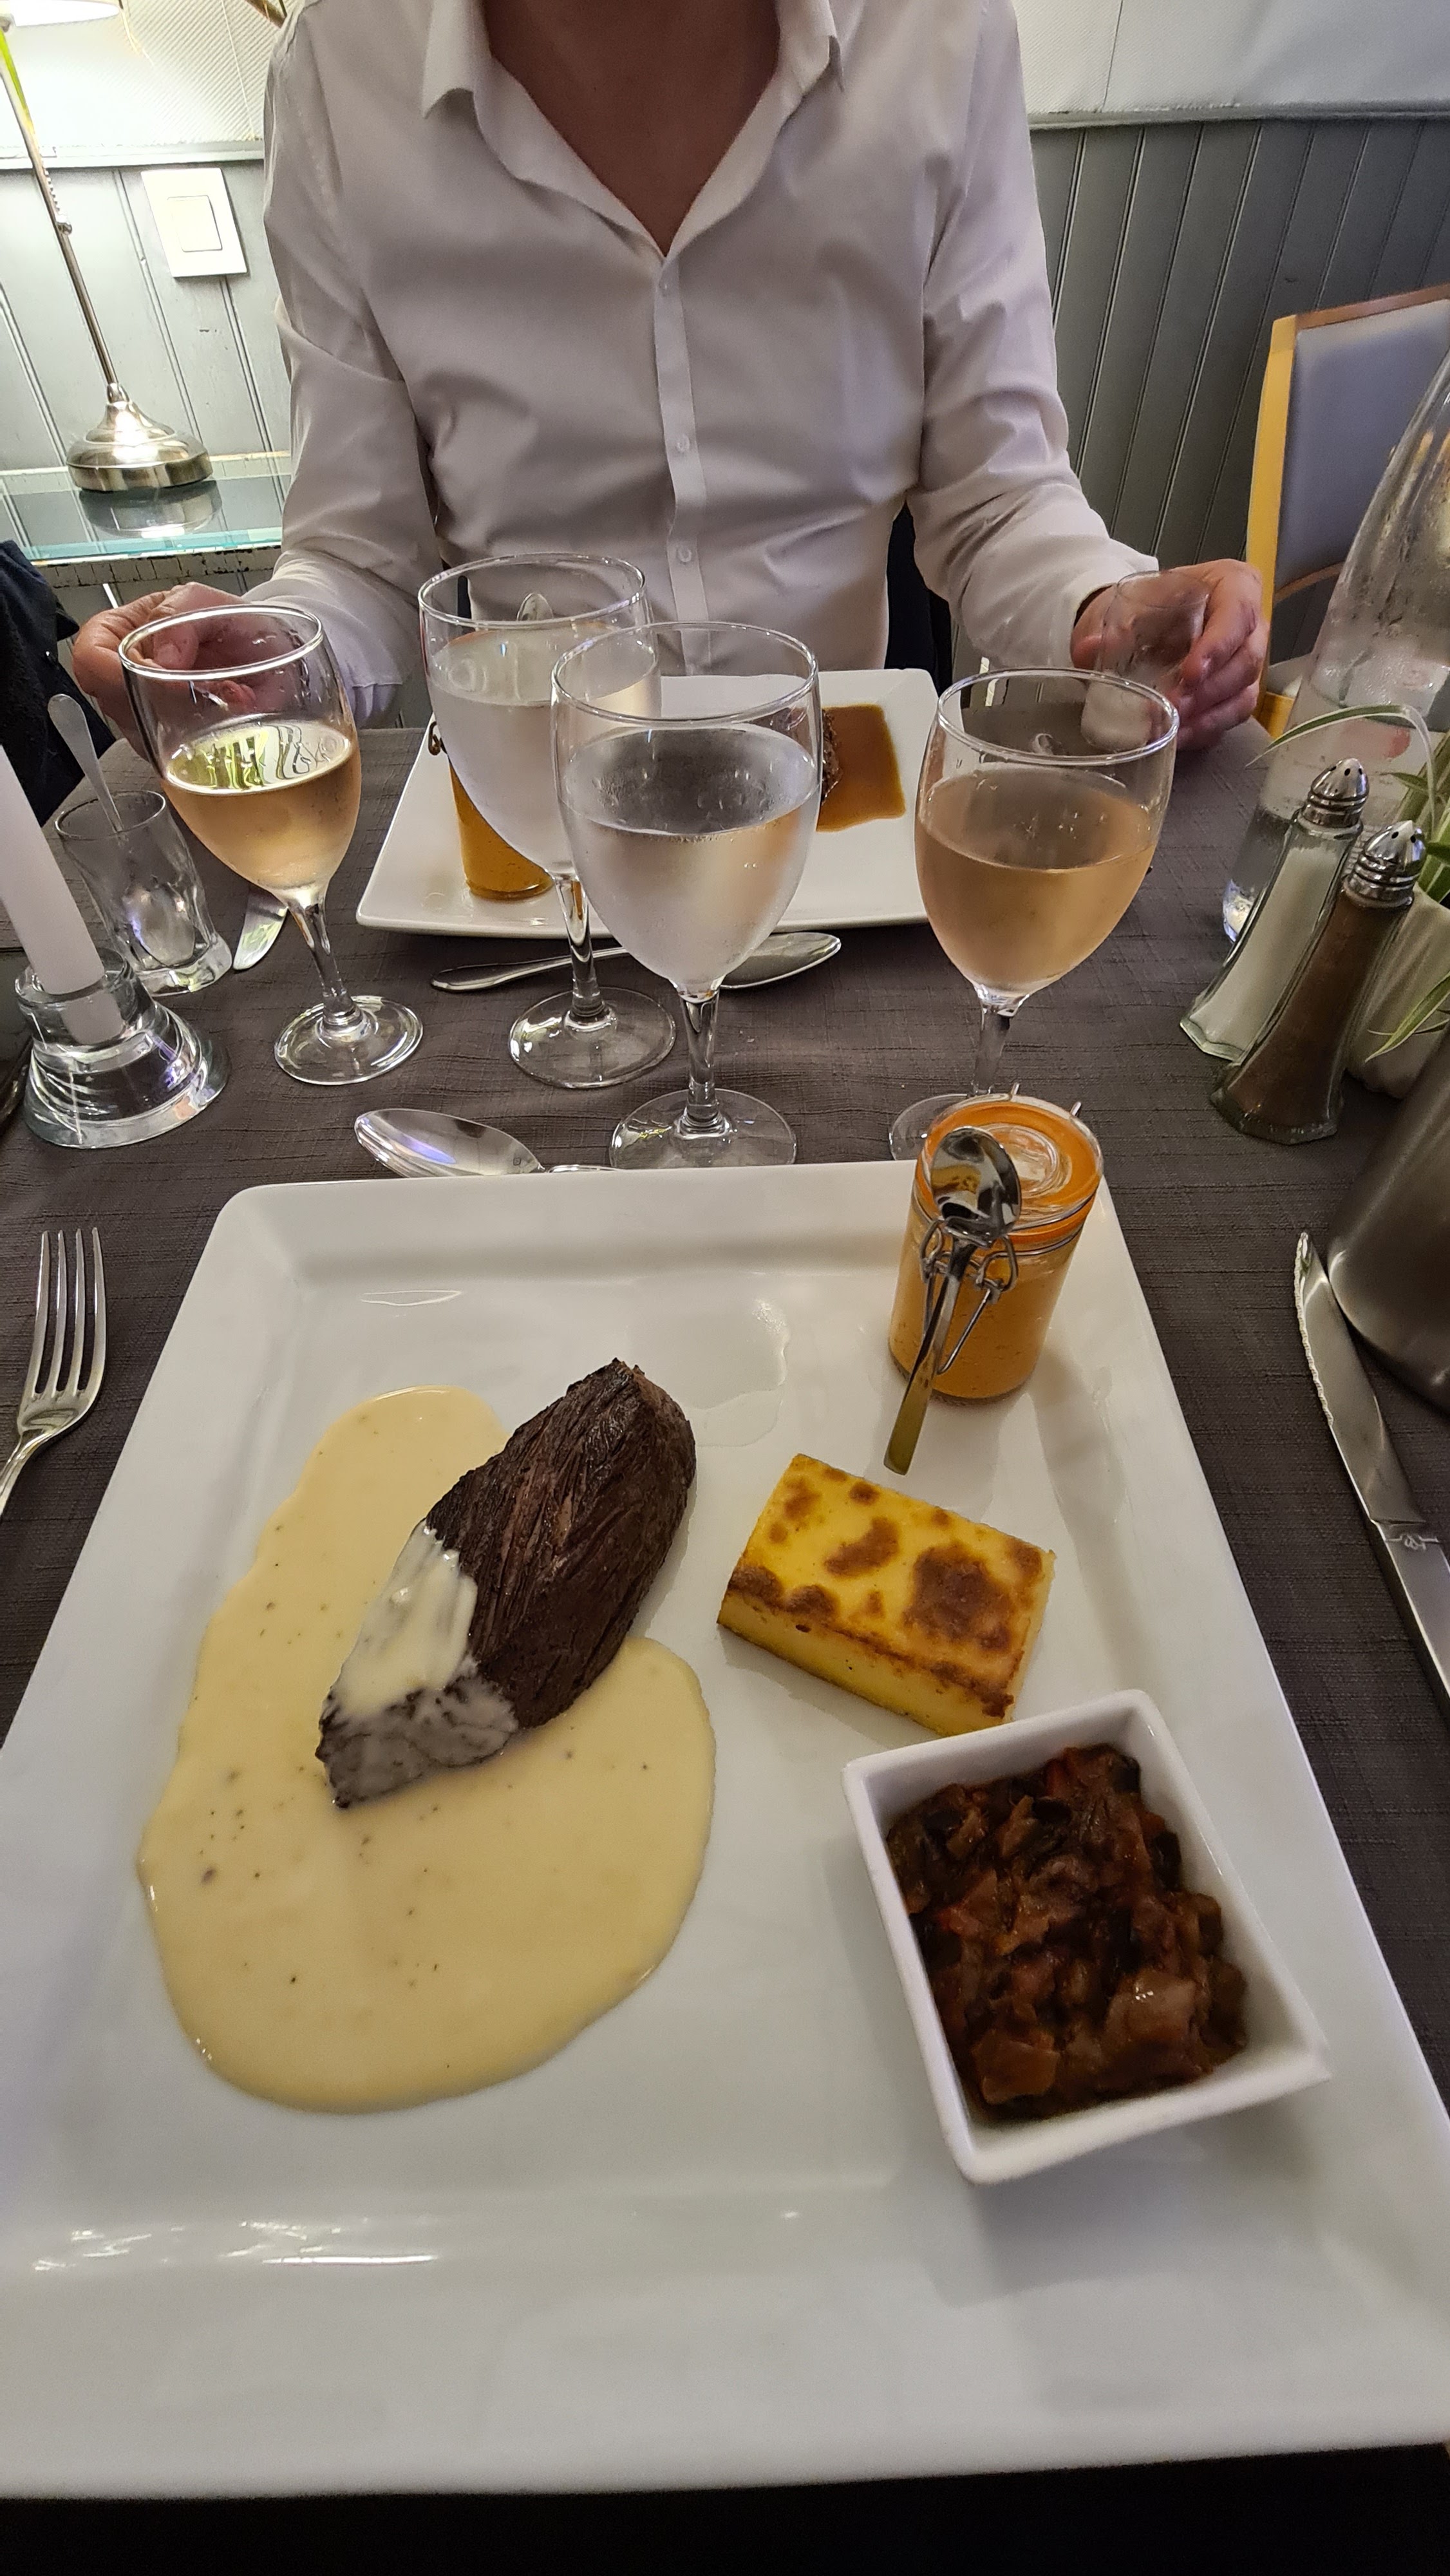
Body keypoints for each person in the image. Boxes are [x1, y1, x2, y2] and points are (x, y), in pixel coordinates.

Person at [74, 0, 1266, 749]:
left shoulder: (940, 33)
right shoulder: (338, 68)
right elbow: (363, 561)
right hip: (532, 827)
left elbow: (997, 502)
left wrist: (1109, 612)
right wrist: (269, 661)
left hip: (838, 797)